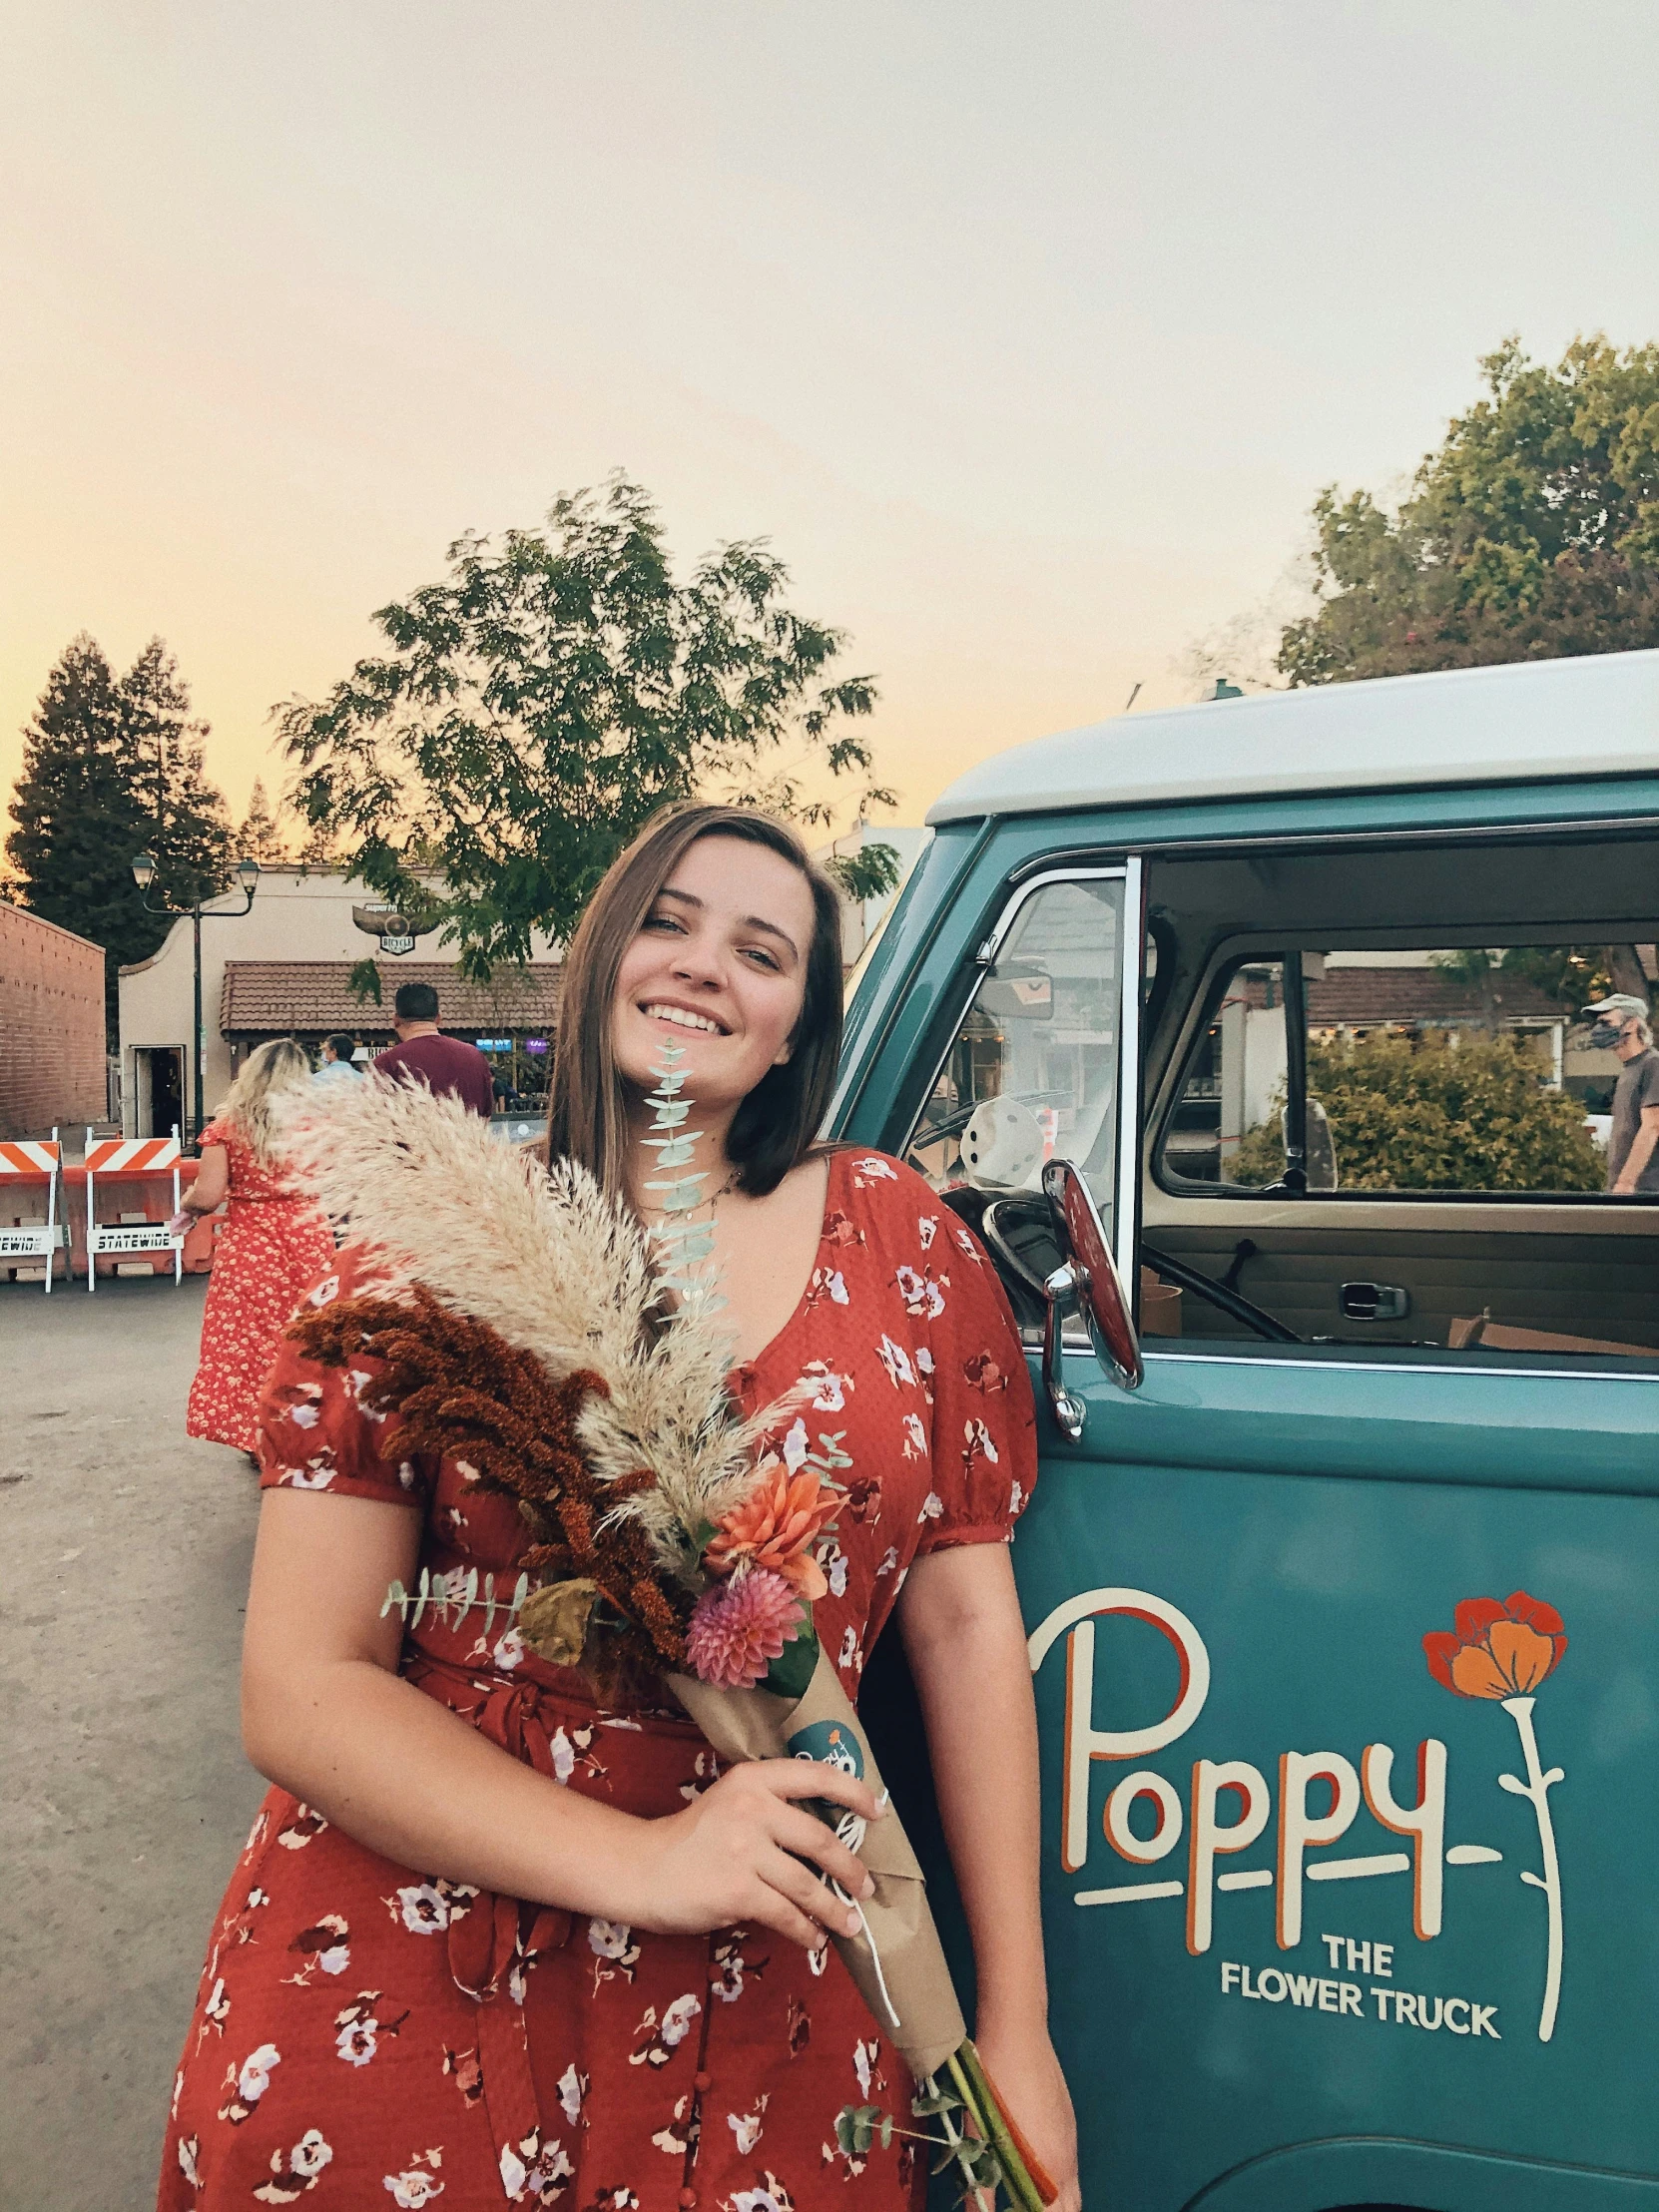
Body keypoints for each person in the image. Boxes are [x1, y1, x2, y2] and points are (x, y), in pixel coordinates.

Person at [160, 806, 1079, 2212]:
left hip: (787, 1971)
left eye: (760, 951)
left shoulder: (898, 1235)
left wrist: (1012, 2025)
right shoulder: (420, 1255)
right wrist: (649, 1863)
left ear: (793, 1032)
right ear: (597, 965)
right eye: (669, 922)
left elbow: (960, 1632)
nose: (706, 965)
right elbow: (299, 1686)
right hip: (423, 1965)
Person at [177, 1039, 336, 1461]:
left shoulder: (228, 1127)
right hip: (309, 1237)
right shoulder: (320, 1125)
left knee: (249, 1343)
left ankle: (258, 1436)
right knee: (310, 1338)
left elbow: (208, 1195)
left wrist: (186, 1205)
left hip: (252, 1245)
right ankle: (309, 1431)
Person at [373, 981, 494, 1117]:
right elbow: (485, 1116)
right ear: (438, 1018)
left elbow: (373, 1121)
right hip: (469, 1137)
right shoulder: (475, 1057)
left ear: (395, 1020)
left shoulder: (385, 1064)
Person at [1585, 992, 1659, 1194]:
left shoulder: (1652, 1065)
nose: (1599, 1030)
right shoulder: (1630, 1070)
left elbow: (1653, 1126)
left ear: (1631, 1025)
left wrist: (1626, 1183)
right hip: (1628, 1191)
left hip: (1646, 1192)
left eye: (1606, 1023)